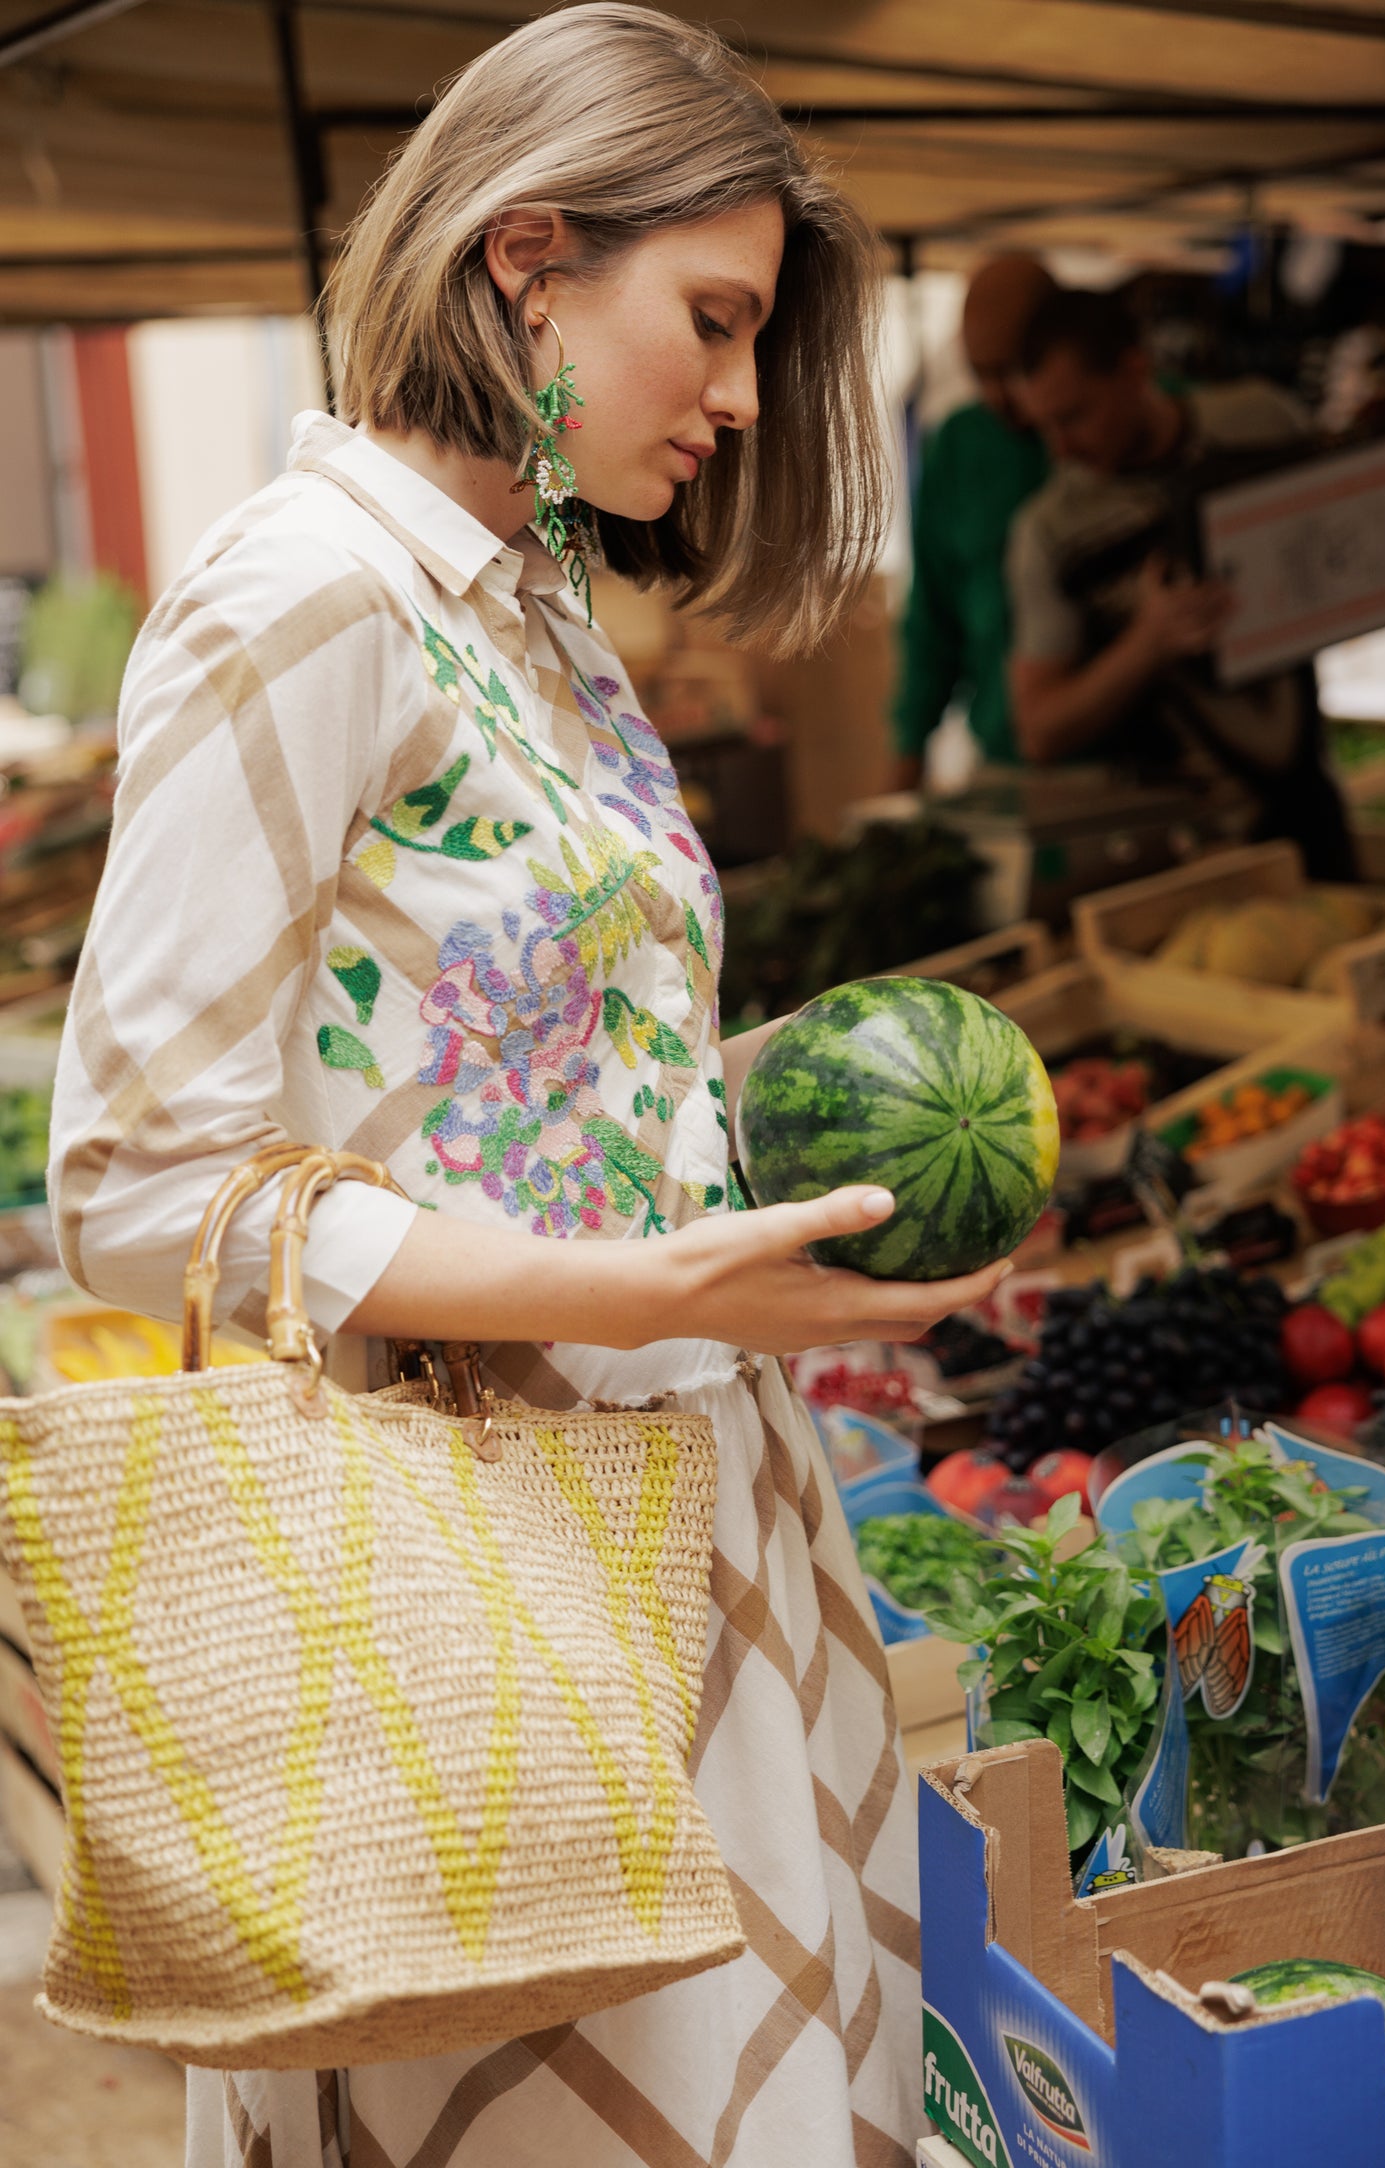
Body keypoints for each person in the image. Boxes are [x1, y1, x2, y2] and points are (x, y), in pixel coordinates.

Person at [47, 10, 1014, 2165]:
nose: (746, 394)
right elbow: (129, 1179)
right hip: (466, 1587)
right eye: (713, 319)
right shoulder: (303, 596)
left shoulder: (538, 611)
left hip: (699, 1526)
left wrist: (793, 1120)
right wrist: (646, 1288)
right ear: (524, 258)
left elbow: (532, 1070)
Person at [1006, 286, 1355, 879]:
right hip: (1172, 854)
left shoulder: (1262, 421)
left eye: (1073, 416)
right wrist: (1150, 642)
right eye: (1042, 426)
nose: (1061, 448)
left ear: (1134, 370)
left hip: (1309, 810)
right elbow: (1040, 731)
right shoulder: (1050, 533)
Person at [889, 254, 1055, 789]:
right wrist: (908, 753)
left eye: (1012, 370)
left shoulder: (1100, 433)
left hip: (1133, 759)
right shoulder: (959, 446)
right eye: (980, 373)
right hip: (1006, 758)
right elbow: (932, 618)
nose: (998, 395)